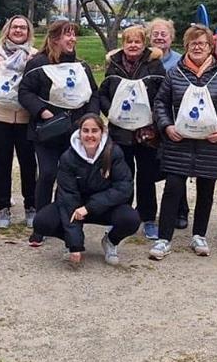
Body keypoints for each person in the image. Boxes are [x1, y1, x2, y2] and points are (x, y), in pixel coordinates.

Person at [149, 24, 217, 260]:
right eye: (193, 43)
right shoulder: (175, 74)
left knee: (206, 190)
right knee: (173, 189)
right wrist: (166, 126)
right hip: (178, 143)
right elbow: (160, 103)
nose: (197, 47)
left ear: (211, 47)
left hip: (211, 144)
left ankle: (199, 234)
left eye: (202, 43)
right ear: (187, 46)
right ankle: (163, 239)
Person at [18, 20, 100, 246]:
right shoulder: (38, 63)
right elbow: (25, 92)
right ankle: (41, 224)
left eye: (74, 35)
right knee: (47, 174)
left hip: (75, 133)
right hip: (48, 132)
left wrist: (90, 119)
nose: (73, 39)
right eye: (67, 35)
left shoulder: (81, 66)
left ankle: (68, 220)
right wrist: (43, 111)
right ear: (55, 39)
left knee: (74, 179)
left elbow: (93, 94)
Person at [32, 114, 140, 266]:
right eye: (86, 130)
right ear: (79, 132)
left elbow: (124, 187)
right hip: (75, 207)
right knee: (42, 222)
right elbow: (68, 197)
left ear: (102, 132)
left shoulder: (114, 153)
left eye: (94, 131)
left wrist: (89, 208)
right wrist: (74, 244)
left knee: (131, 219)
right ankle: (69, 242)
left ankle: (110, 241)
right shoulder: (68, 157)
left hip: (102, 207)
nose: (90, 135)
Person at [97, 25, 166, 240]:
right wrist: (112, 113)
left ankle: (148, 218)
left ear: (144, 43)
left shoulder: (154, 64)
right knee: (122, 175)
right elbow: (104, 93)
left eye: (137, 42)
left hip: (146, 132)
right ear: (123, 43)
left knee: (146, 175)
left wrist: (151, 117)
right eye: (129, 41)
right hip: (120, 131)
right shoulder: (114, 64)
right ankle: (122, 216)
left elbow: (163, 93)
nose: (133, 45)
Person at [0, 15, 38, 228]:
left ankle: (31, 205)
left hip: (25, 118)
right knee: (1, 163)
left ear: (28, 32)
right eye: (15, 27)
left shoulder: (35, 56)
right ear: (8, 30)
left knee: (29, 164)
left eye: (23, 27)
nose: (19, 31)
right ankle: (3, 207)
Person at [147, 17, 189, 228]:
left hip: (174, 123)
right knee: (149, 170)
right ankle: (148, 212)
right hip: (147, 123)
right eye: (155, 33)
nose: (160, 37)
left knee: (176, 170)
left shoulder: (180, 61)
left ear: (171, 38)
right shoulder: (144, 60)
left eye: (164, 34)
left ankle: (180, 211)